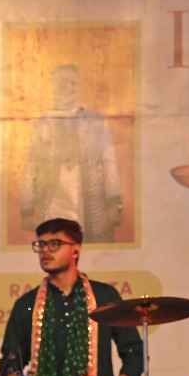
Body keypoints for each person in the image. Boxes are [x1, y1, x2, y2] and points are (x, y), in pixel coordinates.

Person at [0, 218, 142, 376]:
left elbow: (134, 351)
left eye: (54, 244)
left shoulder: (104, 296)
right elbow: (10, 367)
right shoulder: (26, 304)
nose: (45, 250)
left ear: (76, 249)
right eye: (41, 244)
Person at [20, 64, 123, 242]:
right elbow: (30, 168)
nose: (67, 87)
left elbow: (110, 164)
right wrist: (27, 209)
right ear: (53, 87)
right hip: (52, 205)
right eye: (61, 82)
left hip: (89, 206)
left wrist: (114, 203)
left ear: (79, 87)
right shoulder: (41, 124)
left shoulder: (96, 122)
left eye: (72, 82)